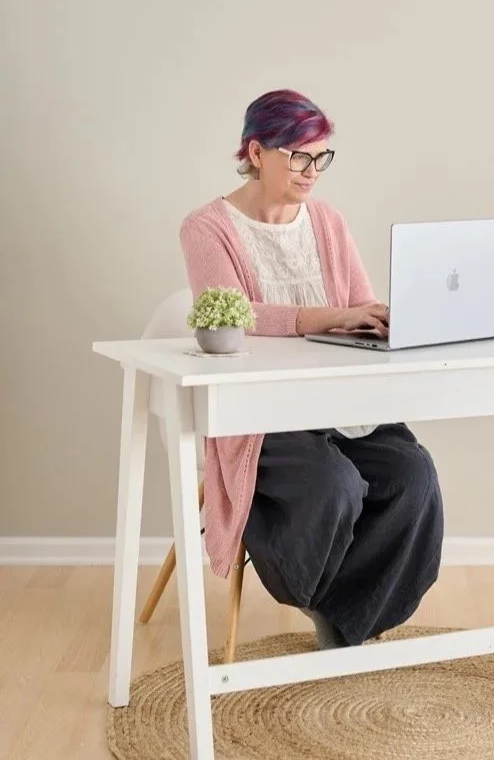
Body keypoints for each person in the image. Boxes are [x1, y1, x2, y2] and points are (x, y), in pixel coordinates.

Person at [179, 89, 444, 649]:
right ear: (256, 151)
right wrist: (330, 316)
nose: (312, 171)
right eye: (299, 156)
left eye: (321, 157)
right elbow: (236, 316)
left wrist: (379, 322)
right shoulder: (207, 228)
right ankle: (323, 599)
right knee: (335, 486)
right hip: (260, 415)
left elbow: (360, 303)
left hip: (336, 402)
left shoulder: (326, 221)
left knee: (413, 476)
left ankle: (347, 613)